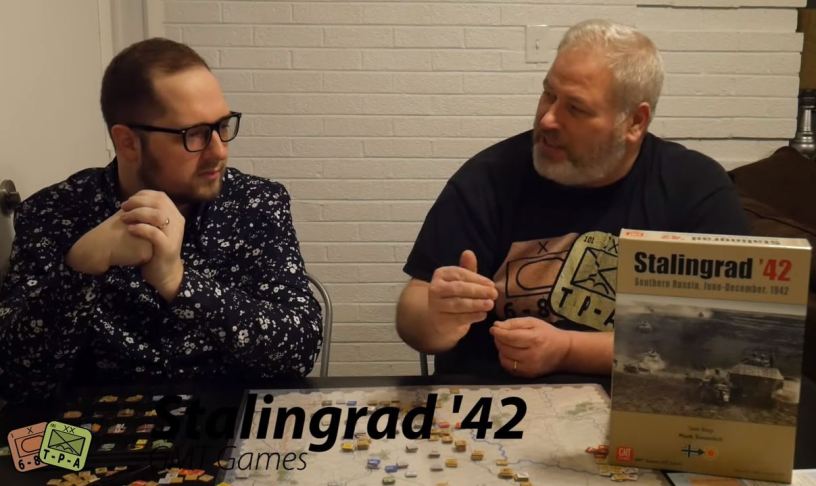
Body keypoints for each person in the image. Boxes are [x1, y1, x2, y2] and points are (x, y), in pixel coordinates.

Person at [396, 19, 749, 378]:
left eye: (576, 108)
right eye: (549, 94)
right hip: (496, 397)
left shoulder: (694, 188)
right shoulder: (488, 178)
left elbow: (731, 334)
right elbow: (414, 310)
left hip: (632, 401)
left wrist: (567, 350)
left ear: (634, 122)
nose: (548, 119)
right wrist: (437, 319)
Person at [0, 38, 322, 401]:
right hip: (93, 425)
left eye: (223, 125)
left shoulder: (256, 203)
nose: (219, 151)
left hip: (228, 418)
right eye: (195, 134)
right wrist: (78, 271)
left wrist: (179, 282)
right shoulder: (55, 212)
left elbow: (299, 349)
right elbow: (18, 380)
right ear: (128, 142)